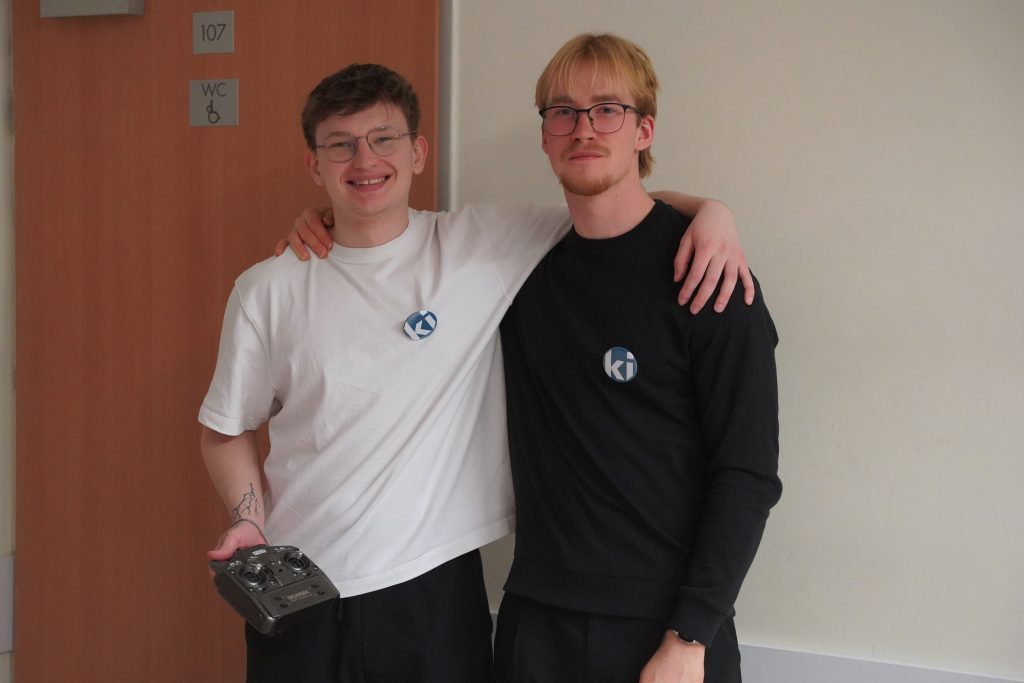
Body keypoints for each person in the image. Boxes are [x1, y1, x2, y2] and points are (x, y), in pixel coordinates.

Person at [203, 64, 749, 683]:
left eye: (383, 139)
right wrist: (248, 518)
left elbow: (612, 202)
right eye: (341, 145)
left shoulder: (481, 245)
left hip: (434, 591)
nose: (365, 160)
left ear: (417, 151)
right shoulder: (268, 288)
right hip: (297, 590)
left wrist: (713, 212)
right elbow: (225, 428)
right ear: (315, 163)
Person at [489, 34, 783, 683]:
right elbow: (391, 240)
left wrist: (690, 635)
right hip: (535, 621)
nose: (583, 128)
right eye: (563, 111)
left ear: (644, 130)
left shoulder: (709, 276)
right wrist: (323, 220)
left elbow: (748, 474)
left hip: (668, 633)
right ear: (544, 136)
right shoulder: (516, 271)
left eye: (607, 110)